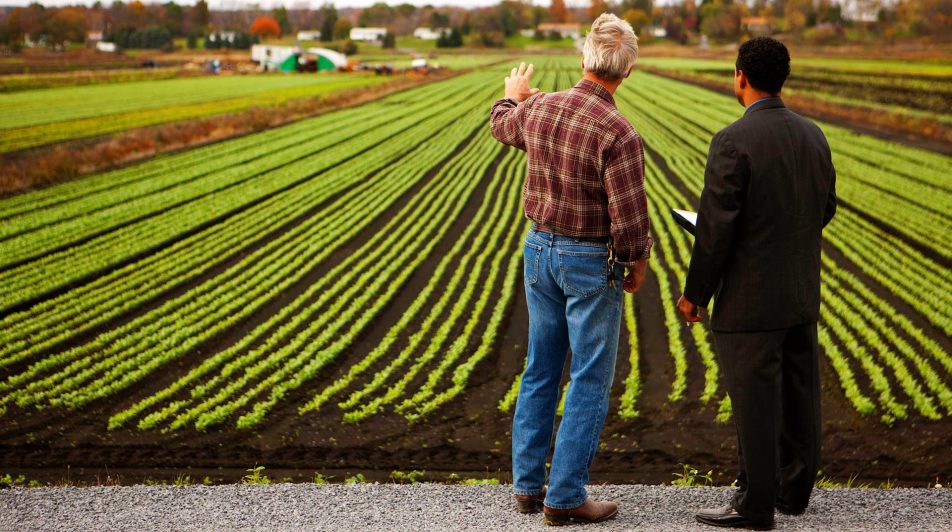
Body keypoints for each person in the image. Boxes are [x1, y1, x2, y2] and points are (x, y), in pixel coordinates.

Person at [489, 13, 651, 526]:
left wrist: (513, 94)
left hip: (538, 250)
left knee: (540, 366)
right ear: (627, 73)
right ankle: (565, 497)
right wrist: (637, 261)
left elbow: (502, 125)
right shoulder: (619, 131)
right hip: (588, 259)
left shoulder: (542, 108)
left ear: (583, 60)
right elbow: (629, 217)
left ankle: (527, 488)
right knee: (588, 376)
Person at [677, 37, 837, 530]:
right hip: (799, 290)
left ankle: (755, 505)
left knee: (754, 401)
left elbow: (717, 229)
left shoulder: (733, 141)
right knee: (799, 393)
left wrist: (694, 294)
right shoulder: (813, 135)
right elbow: (825, 208)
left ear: (740, 77)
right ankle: (793, 492)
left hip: (749, 300)